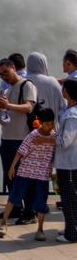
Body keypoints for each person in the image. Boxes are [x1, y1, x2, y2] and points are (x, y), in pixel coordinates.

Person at [0, 107, 56, 241]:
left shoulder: (54, 137)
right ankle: (3, 223)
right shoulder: (33, 135)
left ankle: (40, 229)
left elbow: (54, 155)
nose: (49, 126)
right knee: (14, 197)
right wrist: (12, 168)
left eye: (51, 123)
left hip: (42, 174)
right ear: (40, 122)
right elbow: (21, 151)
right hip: (25, 171)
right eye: (46, 123)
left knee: (41, 201)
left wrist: (52, 170)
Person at [0, 57, 37, 224]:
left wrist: (8, 106)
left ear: (14, 68)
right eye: (0, 74)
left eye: (5, 72)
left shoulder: (27, 85)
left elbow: (28, 107)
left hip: (22, 139)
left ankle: (30, 212)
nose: (3, 76)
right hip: (7, 138)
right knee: (10, 176)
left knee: (24, 176)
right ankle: (16, 207)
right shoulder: (8, 89)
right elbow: (7, 112)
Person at [55, 79, 77, 243]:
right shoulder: (70, 111)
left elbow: (65, 141)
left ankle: (72, 233)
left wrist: (50, 137)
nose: (61, 90)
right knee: (69, 198)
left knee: (69, 199)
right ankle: (71, 228)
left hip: (69, 163)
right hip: (69, 162)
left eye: (64, 88)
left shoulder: (71, 115)